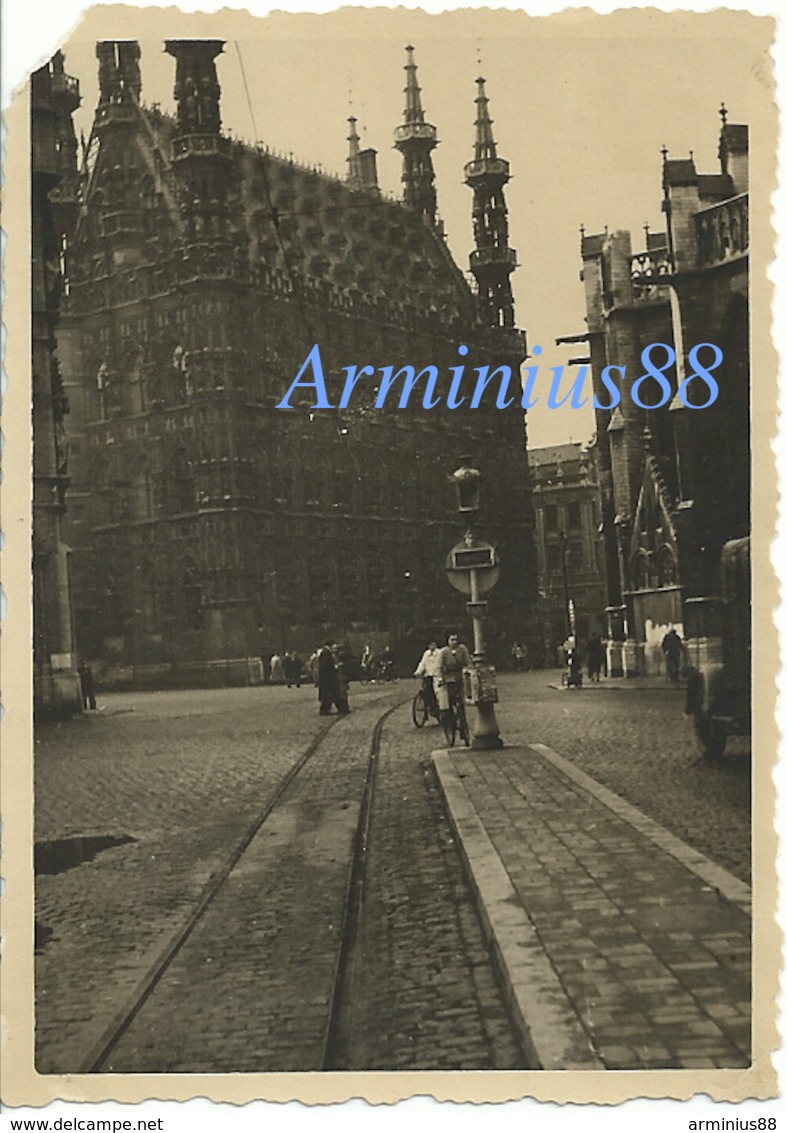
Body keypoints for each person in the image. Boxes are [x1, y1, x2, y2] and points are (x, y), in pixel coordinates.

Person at [435, 633, 472, 716]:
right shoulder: (443, 652)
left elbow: (468, 662)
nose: (454, 642)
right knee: (450, 699)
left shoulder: (462, 649)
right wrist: (440, 678)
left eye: (456, 640)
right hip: (448, 678)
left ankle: (462, 719)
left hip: (460, 676)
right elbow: (439, 667)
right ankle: (451, 718)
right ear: (448, 641)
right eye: (452, 640)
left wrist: (468, 671)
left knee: (462, 699)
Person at [317, 639, 350, 715]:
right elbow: (325, 666)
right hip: (328, 679)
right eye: (333, 646)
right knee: (331, 695)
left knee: (332, 695)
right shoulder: (325, 653)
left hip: (329, 679)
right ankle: (326, 710)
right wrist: (335, 666)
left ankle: (341, 709)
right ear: (330, 645)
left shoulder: (326, 653)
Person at [413, 640, 441, 718]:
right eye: (430, 645)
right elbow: (422, 664)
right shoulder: (426, 654)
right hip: (428, 676)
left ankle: (439, 709)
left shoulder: (439, 653)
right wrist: (418, 672)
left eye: (433, 644)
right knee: (426, 692)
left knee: (438, 693)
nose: (432, 647)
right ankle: (428, 707)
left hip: (437, 676)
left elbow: (441, 664)